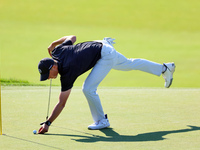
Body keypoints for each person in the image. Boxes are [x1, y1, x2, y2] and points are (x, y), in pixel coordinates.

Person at [37, 35, 175, 134]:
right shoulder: (57, 51)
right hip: (101, 45)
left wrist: (48, 123)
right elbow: (72, 37)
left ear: (53, 67)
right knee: (129, 64)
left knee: (88, 88)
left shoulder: (67, 72)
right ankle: (164, 68)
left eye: (47, 75)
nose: (48, 78)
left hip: (104, 54)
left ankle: (101, 121)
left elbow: (62, 103)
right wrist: (54, 43)